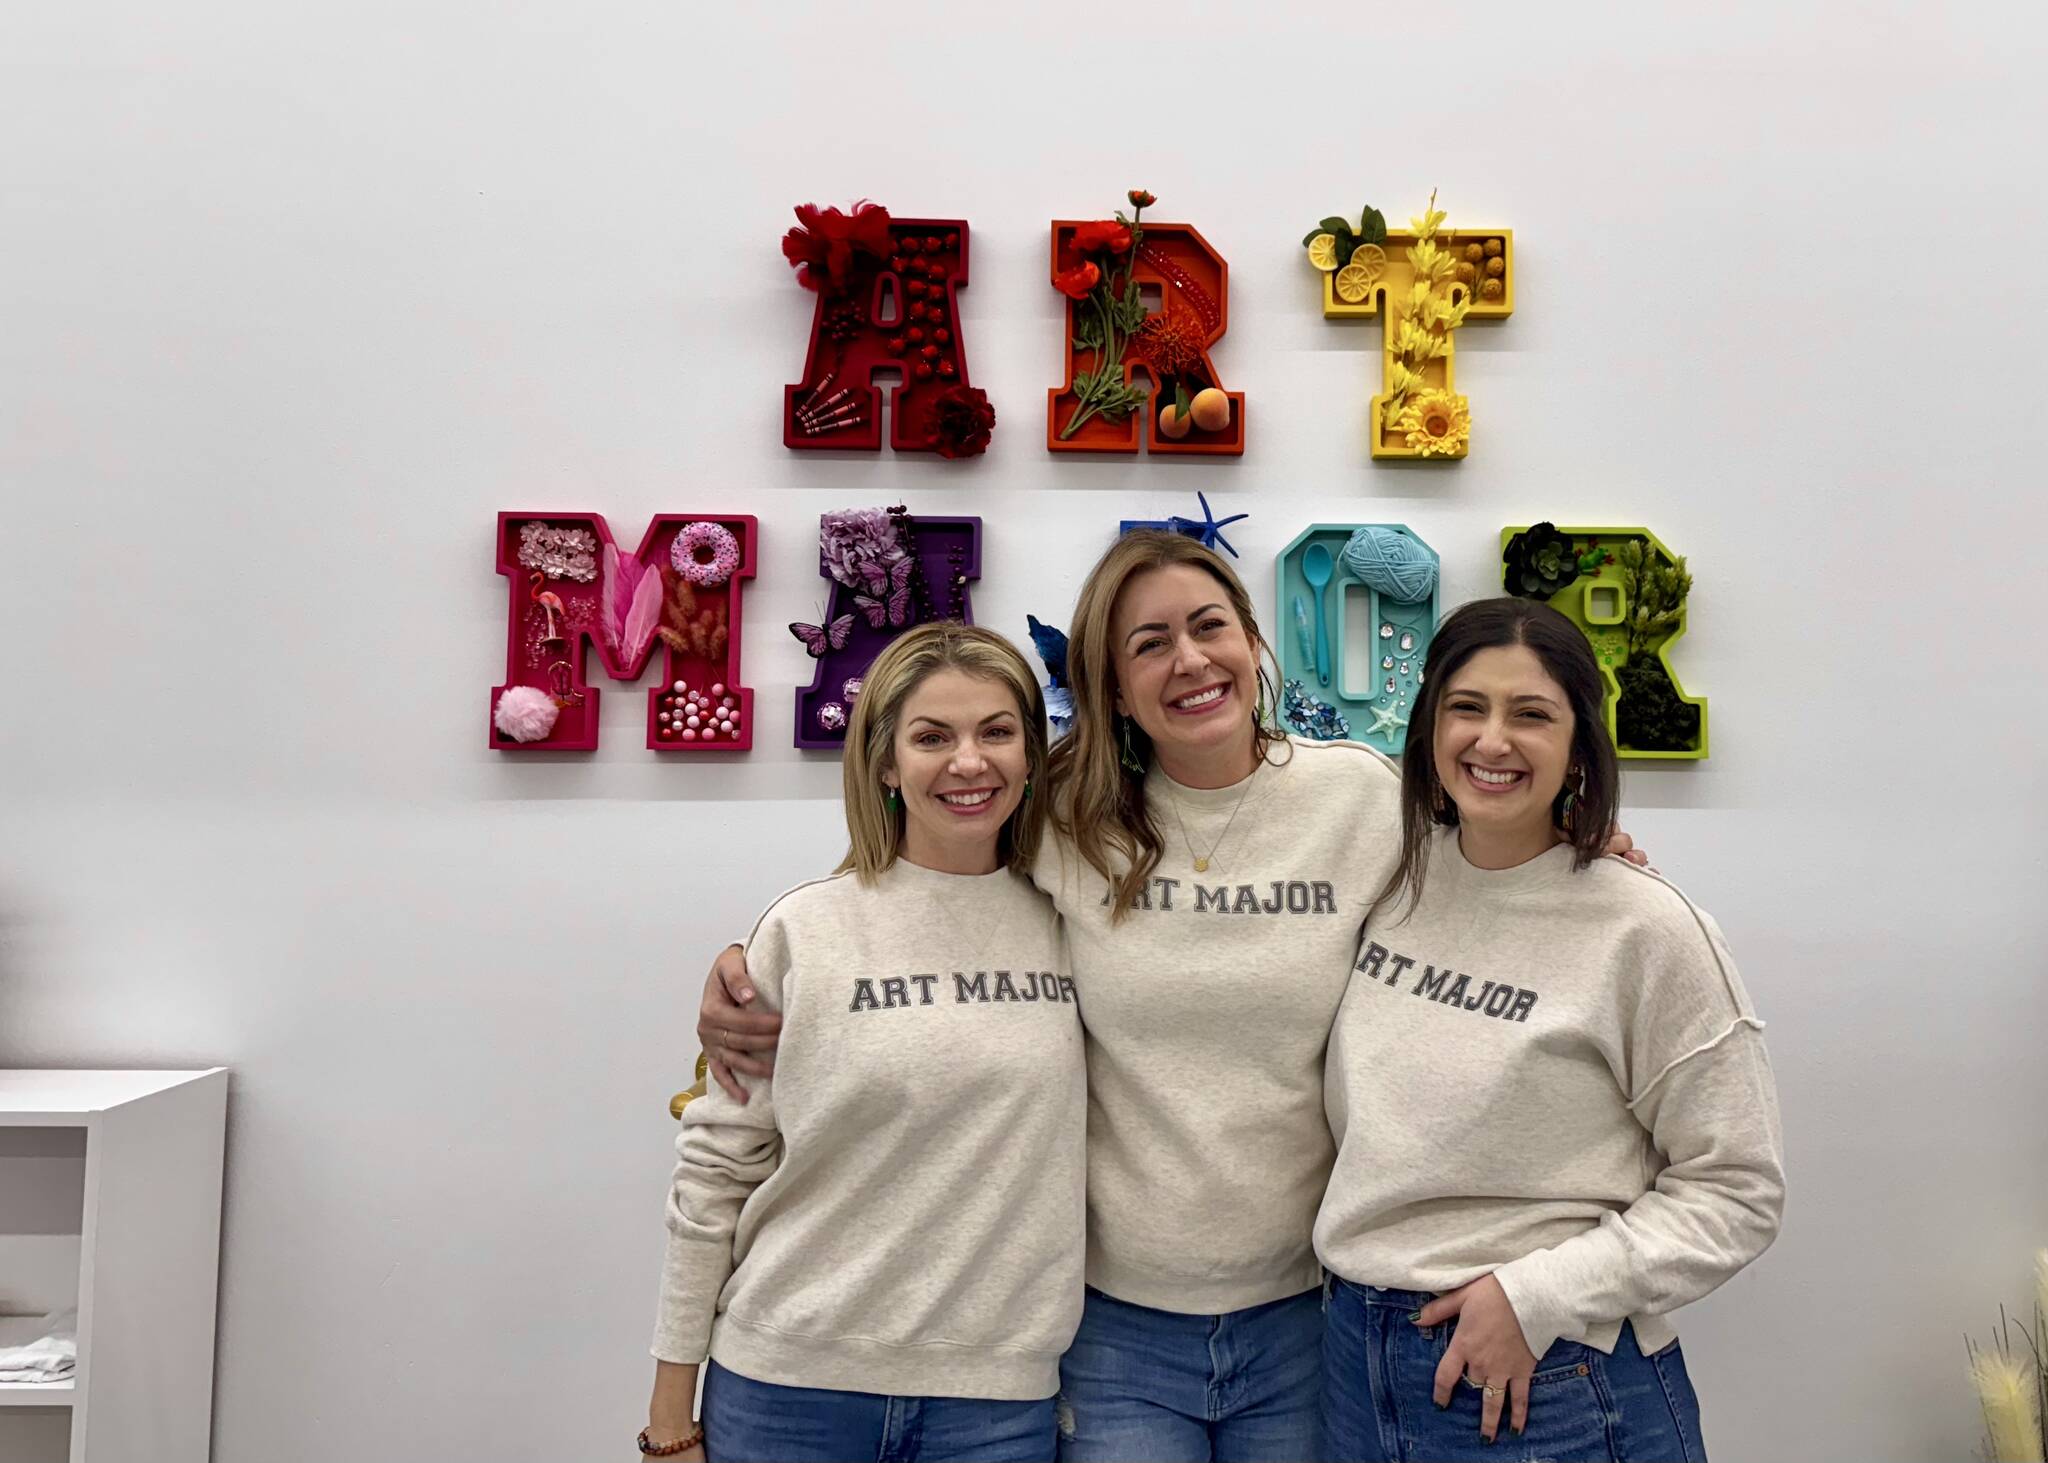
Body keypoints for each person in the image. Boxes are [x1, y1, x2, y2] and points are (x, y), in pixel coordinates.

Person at [694, 534, 1645, 1462]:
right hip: (1114, 1327)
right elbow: (921, 880)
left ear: (1251, 642)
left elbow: (1493, 863)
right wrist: (757, 964)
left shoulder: (1359, 798)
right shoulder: (1065, 809)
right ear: (1112, 684)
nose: (1189, 659)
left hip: (1304, 1318)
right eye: (1149, 643)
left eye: (1209, 626)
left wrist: (1585, 847)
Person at [1316, 596, 1784, 1462]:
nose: (1492, 741)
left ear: (1579, 748)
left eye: (1532, 714)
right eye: (1467, 707)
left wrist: (1534, 1297)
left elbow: (1738, 1191)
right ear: (1427, 729)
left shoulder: (1644, 926)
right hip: (1353, 1357)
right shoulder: (1390, 883)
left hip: (1549, 1375)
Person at [640, 623, 1085, 1463]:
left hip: (994, 1405)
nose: (968, 761)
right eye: (931, 736)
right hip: (788, 1388)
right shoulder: (805, 930)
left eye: (997, 730)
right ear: (884, 762)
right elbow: (713, 1172)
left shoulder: (1080, 924)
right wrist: (670, 1415)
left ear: (1033, 752)